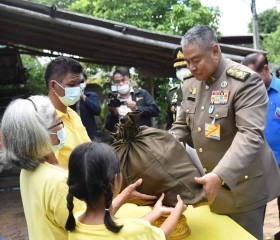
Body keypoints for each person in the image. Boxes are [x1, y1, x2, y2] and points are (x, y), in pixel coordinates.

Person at [169, 25, 280, 239]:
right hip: (208, 184)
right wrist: (156, 149)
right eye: (188, 61)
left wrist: (219, 176)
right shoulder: (190, 83)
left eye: (196, 60)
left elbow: (250, 135)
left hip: (244, 187)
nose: (191, 67)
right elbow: (181, 127)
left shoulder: (244, 82)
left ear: (215, 50)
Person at [0, 95, 158, 240]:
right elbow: (91, 230)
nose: (61, 128)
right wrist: (124, 198)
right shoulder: (57, 181)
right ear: (41, 134)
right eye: (58, 123)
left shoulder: (27, 171)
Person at [65, 141, 187, 239]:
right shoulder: (132, 230)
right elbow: (162, 234)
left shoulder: (74, 221)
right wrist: (177, 210)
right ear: (115, 181)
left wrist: (154, 212)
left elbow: (127, 231)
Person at [242, 53, 280, 238]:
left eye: (254, 76)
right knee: (255, 214)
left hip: (279, 163)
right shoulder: (245, 95)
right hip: (256, 168)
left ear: (265, 68)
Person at [45, 56, 91, 168]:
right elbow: (51, 166)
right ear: (53, 85)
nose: (78, 89)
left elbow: (89, 149)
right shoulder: (46, 120)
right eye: (71, 85)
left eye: (79, 83)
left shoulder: (72, 114)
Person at [71, 71, 101, 140]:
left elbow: (97, 111)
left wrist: (84, 97)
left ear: (85, 82)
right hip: (74, 134)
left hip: (89, 134)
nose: (79, 84)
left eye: (81, 81)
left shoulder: (91, 95)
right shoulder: (69, 96)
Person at [166, 47, 190, 130]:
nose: (182, 71)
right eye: (178, 68)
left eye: (185, 66)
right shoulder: (172, 94)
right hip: (178, 139)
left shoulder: (203, 89)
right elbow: (169, 123)